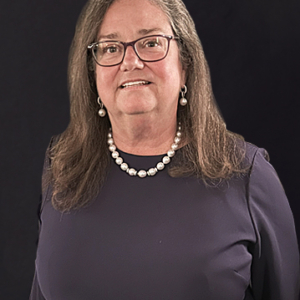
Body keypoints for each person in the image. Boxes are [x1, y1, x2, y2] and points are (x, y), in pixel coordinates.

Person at [30, 0, 299, 299]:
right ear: (92, 75)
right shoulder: (62, 168)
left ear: (185, 65)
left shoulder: (247, 175)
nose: (130, 61)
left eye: (150, 42)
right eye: (110, 48)